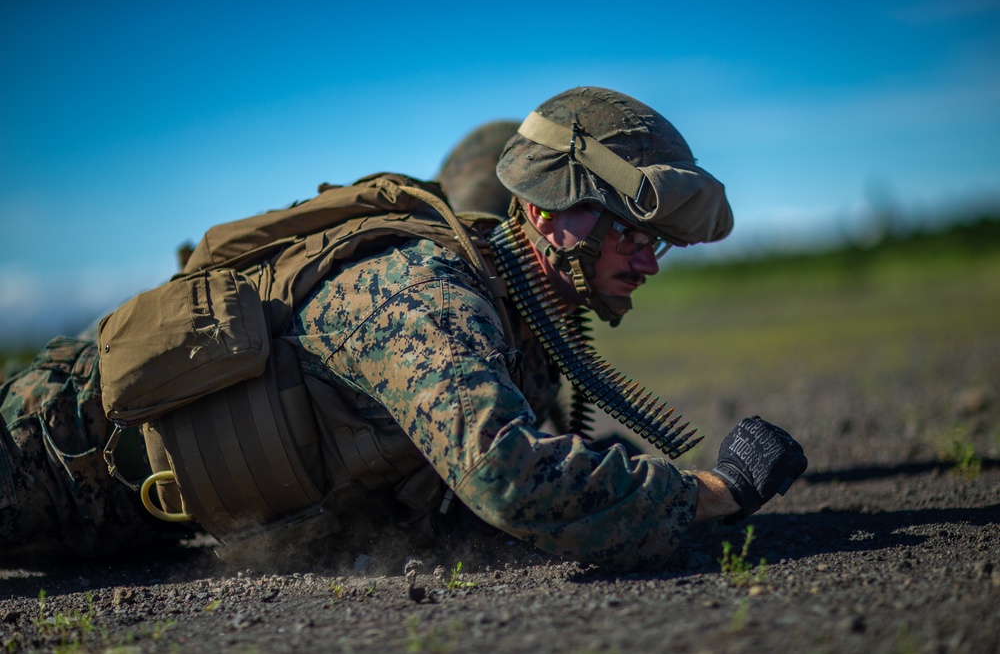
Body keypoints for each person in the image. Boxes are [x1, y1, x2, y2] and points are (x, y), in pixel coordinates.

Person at [0, 86, 807, 568]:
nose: (650, 260)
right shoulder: (426, 291)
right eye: (633, 232)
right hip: (47, 453)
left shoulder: (520, 317)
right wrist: (711, 492)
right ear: (550, 211)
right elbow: (507, 477)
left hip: (118, 521)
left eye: (657, 238)